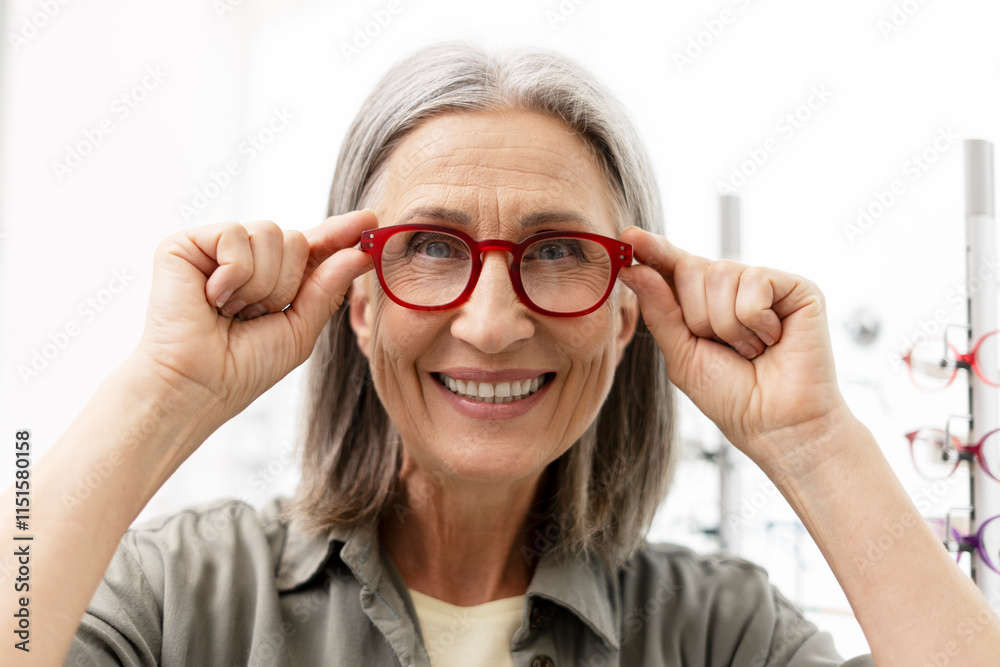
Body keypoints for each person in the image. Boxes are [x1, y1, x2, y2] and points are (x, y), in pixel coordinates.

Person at [4, 41, 998, 667]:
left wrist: (816, 440)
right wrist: (162, 392)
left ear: (623, 312)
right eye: (430, 248)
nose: (488, 323)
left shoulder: (714, 632)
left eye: (558, 251)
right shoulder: (188, 591)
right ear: (357, 301)